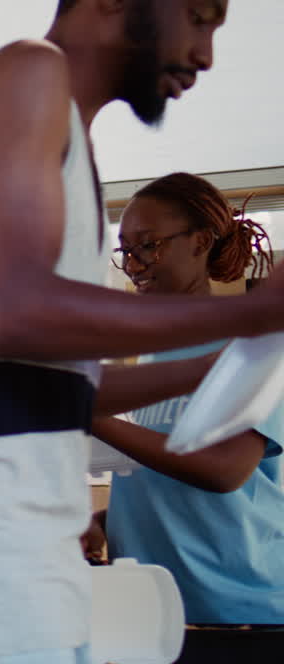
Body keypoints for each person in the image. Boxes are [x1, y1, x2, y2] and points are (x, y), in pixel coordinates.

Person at [0, 0, 284, 663]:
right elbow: (17, 312)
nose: (206, 53)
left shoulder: (72, 149)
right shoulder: (29, 76)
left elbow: (54, 378)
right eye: (197, 16)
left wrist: (220, 360)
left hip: (19, 557)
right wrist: (248, 316)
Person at [86, 173, 284, 626]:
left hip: (238, 612)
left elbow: (223, 470)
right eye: (126, 250)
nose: (134, 263)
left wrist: (89, 414)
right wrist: (110, 519)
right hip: (157, 613)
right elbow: (169, 471)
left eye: (149, 245)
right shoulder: (159, 351)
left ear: (200, 242)